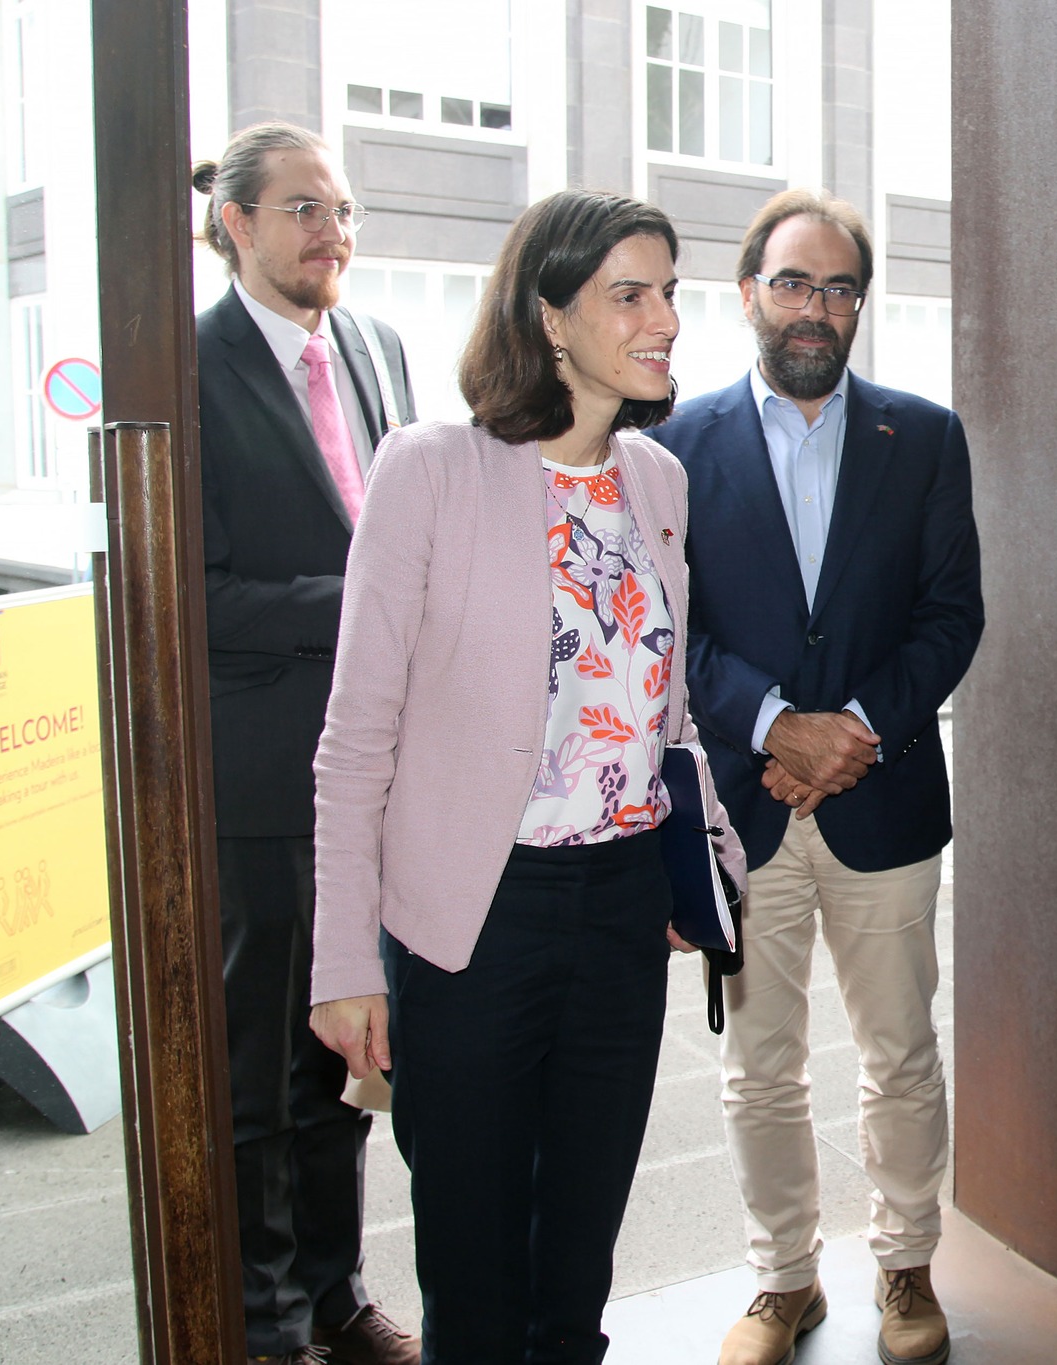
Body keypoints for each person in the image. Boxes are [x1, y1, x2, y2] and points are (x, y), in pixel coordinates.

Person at [307, 190, 746, 1364]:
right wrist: (344, 961)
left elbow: (664, 710)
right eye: (630, 295)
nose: (664, 320)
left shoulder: (657, 480)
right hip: (472, 923)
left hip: (617, 918)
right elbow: (357, 739)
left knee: (577, 1269)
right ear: (550, 318)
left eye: (668, 293)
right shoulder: (429, 471)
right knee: (475, 1272)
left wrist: (699, 865)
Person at [651, 187, 983, 1365]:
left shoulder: (923, 436)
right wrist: (770, 724)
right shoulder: (671, 448)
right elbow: (664, 628)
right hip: (742, 814)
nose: (816, 307)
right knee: (759, 1067)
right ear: (747, 295)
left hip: (880, 799)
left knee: (900, 1053)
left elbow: (951, 619)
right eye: (794, 282)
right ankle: (782, 1281)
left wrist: (846, 730)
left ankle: (904, 1267)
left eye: (840, 287)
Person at [193, 120, 419, 1365]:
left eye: (342, 211)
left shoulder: (381, 347)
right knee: (263, 1076)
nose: (332, 233)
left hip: (382, 776)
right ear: (234, 222)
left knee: (355, 1056)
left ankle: (334, 1297)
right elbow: (191, 593)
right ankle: (262, 1323)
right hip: (269, 780)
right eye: (302, 211)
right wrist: (360, 599)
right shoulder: (180, 363)